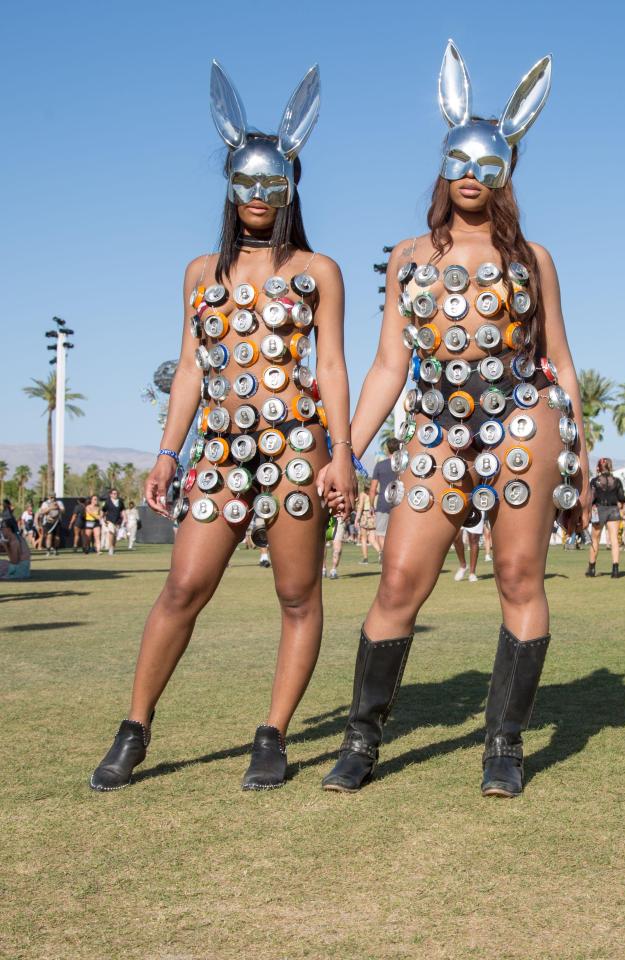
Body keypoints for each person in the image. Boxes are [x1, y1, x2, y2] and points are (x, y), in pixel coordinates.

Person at [319, 44, 589, 798]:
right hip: (434, 430)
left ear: (508, 168)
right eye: (458, 161)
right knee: (400, 578)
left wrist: (581, 465)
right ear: (443, 167)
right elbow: (386, 367)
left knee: (518, 576)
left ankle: (503, 743)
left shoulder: (533, 258)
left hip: (525, 422)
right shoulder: (409, 256)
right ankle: (361, 740)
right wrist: (345, 448)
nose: (470, 174)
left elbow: (561, 362)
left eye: (486, 162)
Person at [90, 59, 353, 793]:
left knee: (299, 596)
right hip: (219, 453)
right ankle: (135, 727)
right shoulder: (200, 271)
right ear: (230, 186)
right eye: (247, 184)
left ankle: (271, 735)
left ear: (293, 184)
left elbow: (331, 368)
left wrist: (344, 455)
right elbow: (188, 370)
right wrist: (168, 452)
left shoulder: (319, 270)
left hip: (299, 448)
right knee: (182, 586)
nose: (260, 198)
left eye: (273, 184)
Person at [586, 457, 625, 578]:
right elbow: (622, 498)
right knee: (614, 540)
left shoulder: (595, 481)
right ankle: (615, 570)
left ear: (598, 467)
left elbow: (591, 498)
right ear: (610, 467)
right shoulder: (617, 481)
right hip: (613, 510)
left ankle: (591, 569)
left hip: (599, 510)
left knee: (595, 539)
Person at [371, 438, 400, 553]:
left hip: (383, 503)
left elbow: (373, 489)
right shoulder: (402, 465)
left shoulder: (380, 465)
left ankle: (385, 558)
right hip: (399, 503)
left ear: (387, 449)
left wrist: (372, 505)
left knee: (381, 534)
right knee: (397, 535)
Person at [453, 510, 484, 582]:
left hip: (475, 506)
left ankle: (472, 573)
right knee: (456, 537)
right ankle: (463, 566)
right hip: (460, 506)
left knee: (473, 538)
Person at [355, 479, 380, 563]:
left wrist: (357, 518)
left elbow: (360, 507)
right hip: (374, 516)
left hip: (365, 516)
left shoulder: (363, 494)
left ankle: (365, 558)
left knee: (364, 538)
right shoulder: (376, 494)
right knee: (372, 539)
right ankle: (381, 553)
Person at [102, 488, 126, 556]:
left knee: (115, 535)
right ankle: (110, 549)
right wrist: (102, 518)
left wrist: (125, 518)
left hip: (117, 521)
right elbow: (103, 510)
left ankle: (113, 549)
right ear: (111, 495)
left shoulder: (120, 502)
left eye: (117, 493)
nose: (116, 495)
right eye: (114, 493)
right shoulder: (107, 502)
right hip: (109, 520)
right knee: (111, 533)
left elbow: (123, 510)